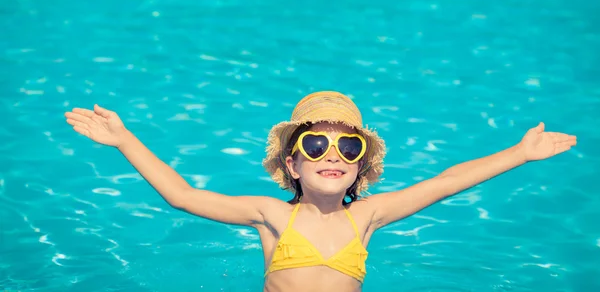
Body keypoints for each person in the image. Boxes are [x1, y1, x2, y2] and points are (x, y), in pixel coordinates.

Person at [64, 91, 577, 292]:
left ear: (360, 167)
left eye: (347, 148)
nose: (333, 156)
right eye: (316, 144)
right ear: (292, 162)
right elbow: (182, 195)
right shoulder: (269, 214)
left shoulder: (369, 216)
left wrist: (518, 153)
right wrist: (125, 139)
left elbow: (445, 182)